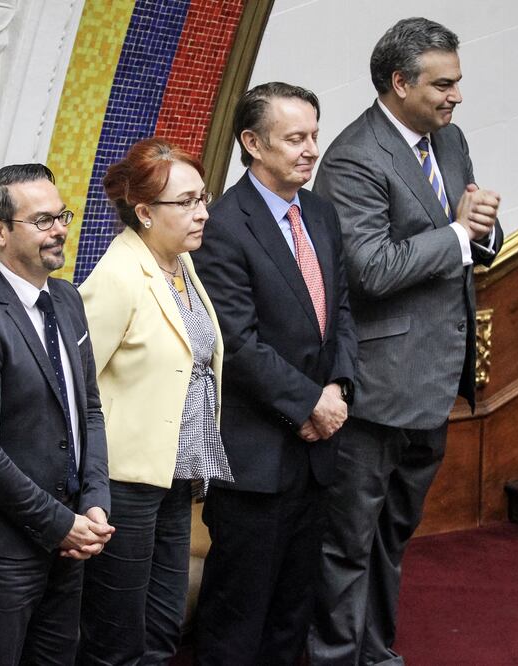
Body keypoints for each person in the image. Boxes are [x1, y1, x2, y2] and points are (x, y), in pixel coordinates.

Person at [306, 17, 504, 666]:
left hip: (434, 380)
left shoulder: (448, 141)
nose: (455, 97)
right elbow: (369, 269)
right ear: (399, 82)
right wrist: (453, 235)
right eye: (442, 84)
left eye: (457, 83)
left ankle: (377, 655)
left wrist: (482, 233)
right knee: (346, 545)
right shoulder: (353, 157)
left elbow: (468, 234)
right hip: (374, 388)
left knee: (392, 535)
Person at [190, 82, 357, 665]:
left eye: (314, 134)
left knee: (293, 613)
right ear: (252, 143)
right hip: (255, 459)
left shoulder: (321, 213)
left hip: (317, 454)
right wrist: (310, 403)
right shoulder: (223, 225)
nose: (311, 149)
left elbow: (340, 313)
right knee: (238, 619)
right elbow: (236, 343)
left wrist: (337, 389)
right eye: (295, 138)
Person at [0, 163, 113, 666]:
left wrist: (94, 502)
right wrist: (60, 523)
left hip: (69, 539)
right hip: (1, 553)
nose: (59, 229)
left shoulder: (68, 300)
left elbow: (90, 412)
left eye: (62, 216)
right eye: (42, 221)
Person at [76, 137, 232, 664]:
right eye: (185, 202)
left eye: (203, 198)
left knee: (162, 627)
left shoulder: (180, 266)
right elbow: (74, 389)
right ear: (143, 212)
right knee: (117, 636)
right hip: (124, 486)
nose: (202, 212)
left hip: (174, 478)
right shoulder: (118, 277)